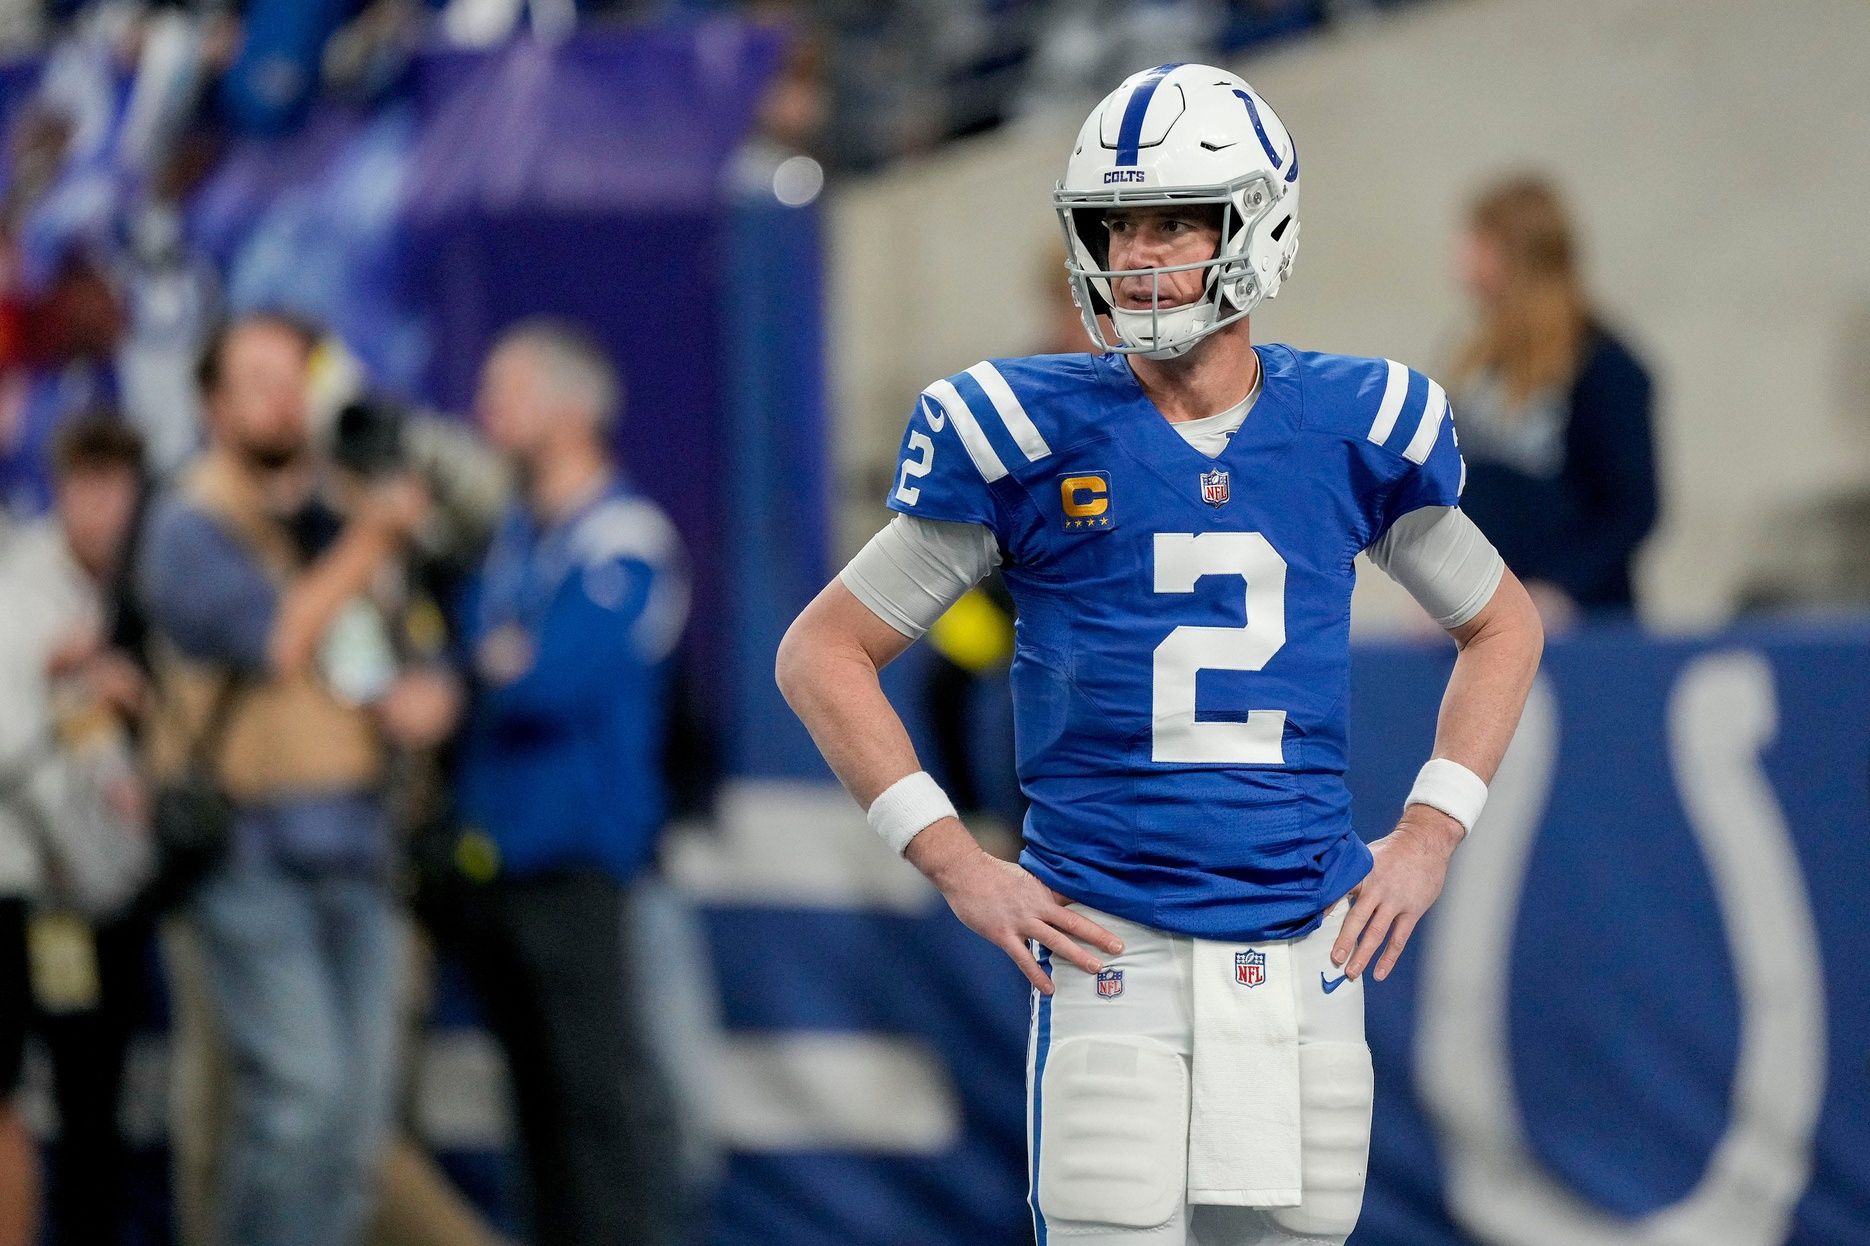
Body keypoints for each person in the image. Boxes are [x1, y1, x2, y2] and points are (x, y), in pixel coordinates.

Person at [776, 64, 1545, 1246]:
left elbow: (1503, 622)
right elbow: (823, 652)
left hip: (1304, 943)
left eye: (1174, 218)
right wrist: (952, 860)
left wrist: (1433, 828)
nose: (1137, 253)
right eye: (1117, 224)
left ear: (1257, 220)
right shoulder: (1027, 432)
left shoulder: (1350, 424)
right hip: (1112, 946)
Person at [138, 311, 439, 1246]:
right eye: (256, 379)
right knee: (295, 1101)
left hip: (357, 847)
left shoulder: (332, 508)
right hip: (247, 856)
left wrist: (426, 691)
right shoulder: (187, 520)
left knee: (353, 1130)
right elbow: (280, 639)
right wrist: (374, 536)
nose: (281, 395)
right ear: (212, 405)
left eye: (293, 375)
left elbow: (386, 646)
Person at [439, 320, 688, 1246]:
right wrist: (493, 666)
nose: (483, 414)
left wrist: (493, 670)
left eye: (504, 393)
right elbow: (478, 652)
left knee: (597, 1110)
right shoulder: (514, 536)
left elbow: (555, 675)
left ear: (571, 410)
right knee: (534, 1115)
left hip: (579, 865)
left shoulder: (626, 537)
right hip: (496, 857)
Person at [0, 415, 155, 1246]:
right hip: (25, 886)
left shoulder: (156, 587)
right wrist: (71, 692)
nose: (99, 508)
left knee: (95, 1100)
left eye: (116, 486)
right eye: (82, 486)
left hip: (113, 895)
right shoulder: (21, 585)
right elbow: (9, 748)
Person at [1447, 174, 1659, 624]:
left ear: (1516, 256)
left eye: (1480, 245)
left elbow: (1633, 506)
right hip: (1484, 616)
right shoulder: (1477, 366)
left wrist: (1563, 588)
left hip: (1582, 625)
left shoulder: (1606, 368)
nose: (1464, 262)